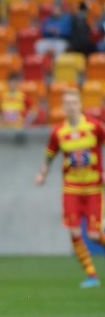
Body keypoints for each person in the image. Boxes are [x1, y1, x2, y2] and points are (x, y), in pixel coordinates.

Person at [35, 89, 105, 289]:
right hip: (71, 188)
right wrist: (42, 174)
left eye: (74, 102)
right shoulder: (58, 132)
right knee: (74, 232)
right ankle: (92, 275)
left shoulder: (94, 126)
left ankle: (92, 274)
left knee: (93, 235)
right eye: (67, 103)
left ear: (80, 105)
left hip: (93, 188)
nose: (71, 106)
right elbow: (50, 154)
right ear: (63, 107)